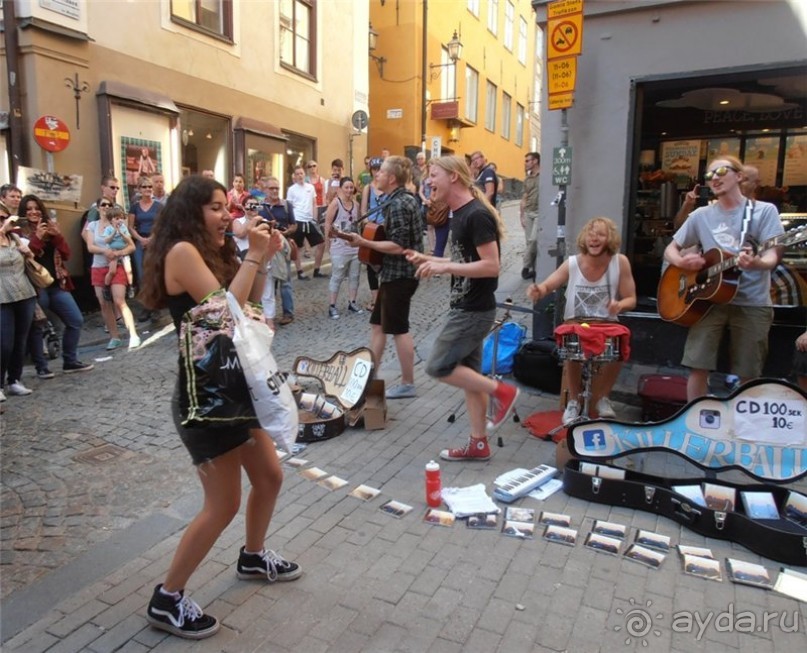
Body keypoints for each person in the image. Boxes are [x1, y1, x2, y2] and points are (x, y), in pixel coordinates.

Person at [138, 175, 299, 640]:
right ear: (190, 213)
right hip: (204, 399)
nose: (226, 215)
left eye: (225, 207)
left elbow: (247, 303)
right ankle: (167, 598)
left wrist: (262, 259)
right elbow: (225, 316)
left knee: (269, 476)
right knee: (223, 502)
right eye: (214, 208)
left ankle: (252, 556)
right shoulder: (183, 253)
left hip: (234, 387)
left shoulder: (211, 251)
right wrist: (252, 253)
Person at [405, 156, 520, 461]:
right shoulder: (458, 213)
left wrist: (443, 269)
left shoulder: (476, 215)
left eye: (433, 175)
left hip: (472, 311)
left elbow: (492, 266)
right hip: (467, 307)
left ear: (454, 176)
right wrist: (432, 260)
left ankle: (502, 392)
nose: (428, 181)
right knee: (470, 378)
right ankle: (478, 443)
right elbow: (465, 261)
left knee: (438, 366)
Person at [664, 156, 784, 401]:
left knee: (749, 370)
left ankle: (743, 427)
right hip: (708, 300)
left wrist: (757, 262)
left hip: (752, 301)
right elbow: (671, 249)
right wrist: (682, 262)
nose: (714, 178)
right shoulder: (701, 215)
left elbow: (772, 256)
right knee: (698, 365)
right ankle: (696, 421)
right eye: (709, 175)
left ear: (739, 176)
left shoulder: (763, 211)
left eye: (720, 171)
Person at [528, 217, 637, 424]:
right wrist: (539, 290)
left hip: (606, 322)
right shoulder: (572, 263)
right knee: (571, 341)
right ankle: (574, 401)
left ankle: (603, 397)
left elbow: (631, 298)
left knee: (622, 340)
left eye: (601, 235)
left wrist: (619, 305)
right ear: (584, 239)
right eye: (591, 234)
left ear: (609, 239)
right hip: (576, 321)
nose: (594, 239)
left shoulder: (619, 262)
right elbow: (549, 285)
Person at [341, 156, 423, 399]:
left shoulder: (398, 204)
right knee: (378, 326)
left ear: (392, 178)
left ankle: (408, 383)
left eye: (381, 172)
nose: (376, 175)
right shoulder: (396, 200)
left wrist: (364, 242)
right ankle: (368, 377)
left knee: (399, 329)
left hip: (400, 275)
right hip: (393, 274)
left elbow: (399, 245)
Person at [19, 194, 94, 375]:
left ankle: (70, 361)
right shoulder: (18, 232)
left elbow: (67, 254)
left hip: (57, 284)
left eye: (36, 208)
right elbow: (25, 256)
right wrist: (37, 237)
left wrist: (57, 236)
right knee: (38, 326)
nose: (33, 212)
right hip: (35, 287)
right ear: (23, 212)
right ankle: (41, 367)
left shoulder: (50, 228)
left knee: (75, 320)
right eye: (29, 209)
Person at [84, 204, 141, 350]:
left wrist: (117, 253)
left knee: (119, 300)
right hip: (98, 267)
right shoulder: (93, 225)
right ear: (97, 208)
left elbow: (131, 246)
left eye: (109, 205)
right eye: (103, 205)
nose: (106, 207)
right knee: (104, 303)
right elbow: (90, 247)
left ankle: (133, 335)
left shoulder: (120, 225)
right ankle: (114, 337)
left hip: (117, 265)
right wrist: (105, 251)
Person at [0, 208, 37, 399]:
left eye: (5, 218)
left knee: (20, 341)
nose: (3, 222)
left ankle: (14, 380)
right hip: (2, 297)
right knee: (4, 343)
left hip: (24, 293)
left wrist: (28, 252)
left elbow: (31, 261)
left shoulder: (15, 239)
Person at [257, 178, 297, 325]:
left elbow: (294, 225)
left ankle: (288, 312)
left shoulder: (286, 205)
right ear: (265, 190)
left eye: (277, 188)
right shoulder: (260, 206)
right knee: (268, 282)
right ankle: (269, 315)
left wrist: (286, 232)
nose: (274, 191)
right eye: (271, 188)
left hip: (281, 246)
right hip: (265, 247)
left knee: (285, 281)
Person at [324, 177, 363, 318]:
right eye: (346, 187)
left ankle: (352, 302)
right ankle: (332, 305)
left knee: (355, 276)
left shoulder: (356, 205)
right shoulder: (336, 204)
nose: (349, 190)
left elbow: (357, 224)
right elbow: (327, 224)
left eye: (351, 187)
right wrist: (327, 245)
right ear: (340, 188)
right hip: (339, 247)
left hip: (353, 247)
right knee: (337, 276)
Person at [128, 175, 162, 320]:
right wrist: (140, 239)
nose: (148, 189)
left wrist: (151, 238)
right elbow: (130, 227)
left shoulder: (159, 206)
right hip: (140, 240)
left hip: (154, 241)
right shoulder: (135, 207)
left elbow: (162, 225)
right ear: (139, 189)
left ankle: (155, 308)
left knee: (154, 274)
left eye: (149, 187)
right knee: (142, 276)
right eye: (144, 187)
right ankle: (145, 307)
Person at [288, 165, 325, 279]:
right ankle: (299, 271)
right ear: (294, 176)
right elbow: (289, 207)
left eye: (301, 173)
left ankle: (317, 270)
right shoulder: (291, 189)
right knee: (297, 247)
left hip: (310, 221)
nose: (300, 176)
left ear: (305, 175)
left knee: (321, 243)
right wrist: (291, 222)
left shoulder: (310, 187)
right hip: (298, 220)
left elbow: (314, 203)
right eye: (297, 174)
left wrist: (314, 218)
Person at [360, 157, 385, 310]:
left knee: (385, 263)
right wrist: (367, 222)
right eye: (375, 169)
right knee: (370, 263)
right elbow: (363, 210)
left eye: (380, 169)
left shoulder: (388, 188)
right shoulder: (368, 188)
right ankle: (375, 299)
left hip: (385, 229)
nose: (377, 173)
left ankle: (384, 297)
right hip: (370, 229)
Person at [102, 208, 135, 286]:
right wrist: (114, 232)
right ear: (111, 220)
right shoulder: (108, 229)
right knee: (112, 271)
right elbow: (106, 240)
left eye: (121, 218)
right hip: (113, 251)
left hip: (123, 251)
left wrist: (121, 233)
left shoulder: (123, 228)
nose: (120, 220)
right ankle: (106, 285)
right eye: (117, 218)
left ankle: (130, 286)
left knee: (128, 270)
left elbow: (128, 239)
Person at [521, 152, 540, 280]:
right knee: (529, 243)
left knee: (534, 240)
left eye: (528, 161)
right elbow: (524, 198)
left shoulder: (544, 176)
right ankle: (533, 270)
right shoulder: (527, 179)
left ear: (535, 161)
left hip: (540, 213)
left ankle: (525, 267)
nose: (525, 163)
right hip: (528, 212)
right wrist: (521, 215)